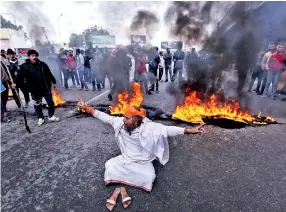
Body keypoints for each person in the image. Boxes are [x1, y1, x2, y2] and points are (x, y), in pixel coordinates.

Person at [77, 102, 205, 194]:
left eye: (126, 118)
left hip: (143, 161)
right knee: (109, 165)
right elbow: (105, 117)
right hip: (126, 159)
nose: (123, 120)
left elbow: (167, 130)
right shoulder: (120, 124)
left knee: (149, 177)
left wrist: (189, 130)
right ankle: (125, 180)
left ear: (135, 119)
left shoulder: (148, 127)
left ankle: (126, 179)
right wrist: (88, 108)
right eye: (123, 117)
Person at [17, 49, 60, 126]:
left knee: (50, 102)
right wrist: (15, 84)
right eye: (32, 56)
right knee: (37, 104)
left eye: (35, 56)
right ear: (29, 57)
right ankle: (41, 118)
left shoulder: (42, 64)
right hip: (34, 89)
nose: (34, 57)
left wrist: (53, 82)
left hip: (45, 87)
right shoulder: (24, 67)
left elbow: (49, 73)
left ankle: (51, 115)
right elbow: (19, 77)